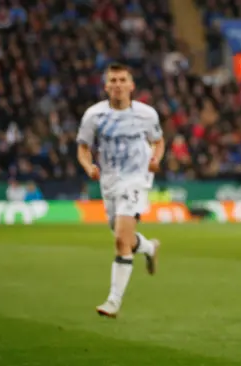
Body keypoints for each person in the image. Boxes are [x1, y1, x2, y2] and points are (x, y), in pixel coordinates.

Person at [76, 62, 165, 318]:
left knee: (119, 241)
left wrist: (156, 159)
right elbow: (83, 147)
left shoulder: (146, 114)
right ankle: (148, 247)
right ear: (106, 86)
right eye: (112, 80)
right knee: (124, 237)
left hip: (136, 179)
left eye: (122, 80)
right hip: (110, 181)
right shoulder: (94, 116)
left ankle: (113, 301)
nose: (117, 85)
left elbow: (158, 141)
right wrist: (88, 165)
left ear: (131, 85)